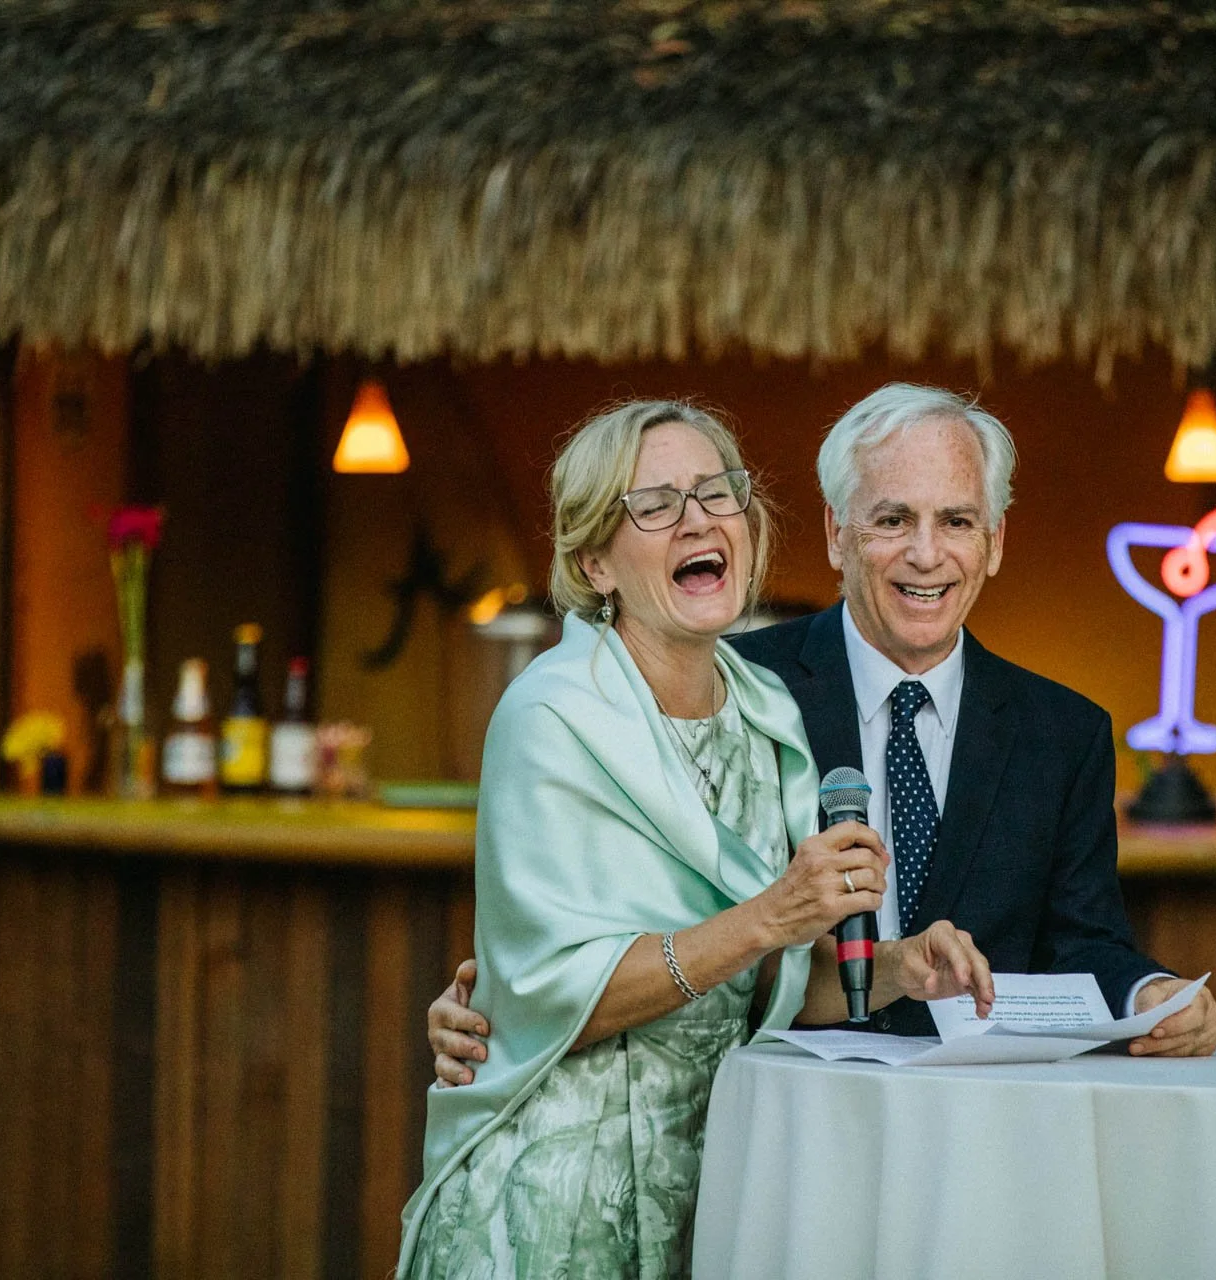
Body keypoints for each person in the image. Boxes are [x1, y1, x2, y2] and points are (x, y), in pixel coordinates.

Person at [429, 383, 1216, 1088]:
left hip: (981, 1136)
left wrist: (1149, 995)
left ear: (995, 542)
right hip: (767, 1128)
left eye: (956, 520)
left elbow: (1086, 943)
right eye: (891, 519)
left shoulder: (1066, 733)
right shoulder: (731, 689)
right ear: (838, 537)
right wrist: (501, 1000)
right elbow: (623, 915)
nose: (925, 552)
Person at [399, 400, 993, 1280]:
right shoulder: (551, 715)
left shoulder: (767, 719)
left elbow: (766, 982)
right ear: (594, 559)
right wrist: (770, 916)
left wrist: (898, 968)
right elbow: (550, 994)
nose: (698, 519)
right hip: (555, 1203)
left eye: (718, 493)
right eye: (656, 504)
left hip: (715, 1195)